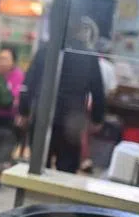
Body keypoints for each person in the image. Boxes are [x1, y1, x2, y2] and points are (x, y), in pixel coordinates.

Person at [21, 19, 106, 173]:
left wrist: (23, 110)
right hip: (72, 120)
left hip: (43, 114)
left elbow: (29, 83)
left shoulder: (46, 50)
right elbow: (98, 90)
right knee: (66, 168)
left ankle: (37, 195)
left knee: (38, 165)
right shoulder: (88, 55)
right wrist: (97, 118)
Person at [0, 47, 25, 182]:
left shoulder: (17, 75)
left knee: (11, 134)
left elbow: (13, 100)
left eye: (5, 59)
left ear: (13, 62)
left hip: (7, 118)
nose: (1, 62)